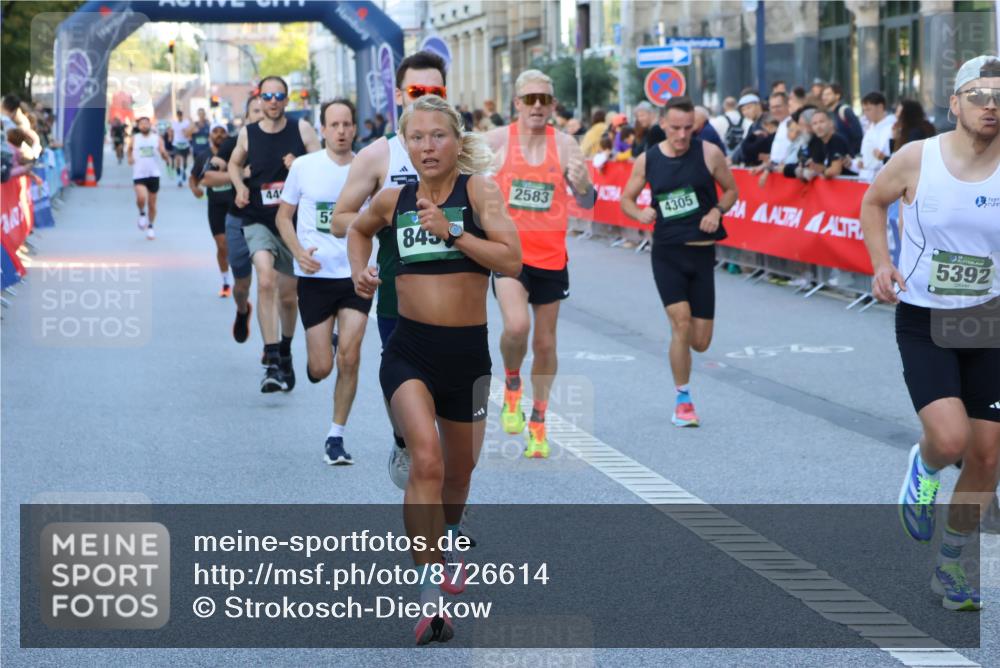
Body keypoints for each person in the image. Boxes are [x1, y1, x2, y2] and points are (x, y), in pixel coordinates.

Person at [346, 95, 521, 645]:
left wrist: (454, 233)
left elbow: (512, 260)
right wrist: (360, 273)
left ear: (457, 140)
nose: (427, 146)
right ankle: (428, 596)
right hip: (409, 350)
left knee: (459, 475)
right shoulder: (393, 198)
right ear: (406, 144)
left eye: (437, 136)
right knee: (426, 460)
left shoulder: (480, 193)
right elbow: (354, 228)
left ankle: (449, 533)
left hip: (467, 356)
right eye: (416, 138)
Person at [859, 55, 999, 612]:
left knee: (988, 455)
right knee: (949, 440)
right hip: (926, 318)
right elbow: (872, 202)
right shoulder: (918, 158)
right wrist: (879, 263)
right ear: (956, 104)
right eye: (980, 95)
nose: (992, 105)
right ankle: (925, 465)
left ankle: (952, 567)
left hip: (989, 319)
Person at [331, 51, 449, 489]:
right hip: (399, 299)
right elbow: (341, 218)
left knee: (449, 406)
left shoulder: (465, 153)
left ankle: (449, 507)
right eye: (417, 92)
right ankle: (404, 440)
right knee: (405, 389)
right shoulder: (379, 155)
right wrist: (377, 221)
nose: (426, 99)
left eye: (435, 92)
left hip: (456, 301)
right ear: (400, 95)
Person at [484, 69, 595, 458]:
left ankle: (538, 420)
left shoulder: (566, 145)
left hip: (551, 256)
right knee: (517, 325)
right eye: (529, 99)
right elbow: (462, 179)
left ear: (552, 106)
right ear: (516, 103)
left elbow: (588, 202)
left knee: (545, 343)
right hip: (510, 253)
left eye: (543, 100)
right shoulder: (496, 141)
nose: (536, 106)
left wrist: (581, 184)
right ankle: (512, 384)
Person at [620, 96, 738, 427]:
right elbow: (626, 199)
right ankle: (683, 399)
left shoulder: (709, 154)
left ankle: (683, 370)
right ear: (662, 125)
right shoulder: (648, 160)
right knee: (680, 321)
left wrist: (717, 210)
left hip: (701, 254)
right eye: (675, 128)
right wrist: (640, 212)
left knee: (700, 342)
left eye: (688, 128)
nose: (682, 135)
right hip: (667, 252)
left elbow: (731, 191)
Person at [276, 98, 369, 466]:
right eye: (335, 125)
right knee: (321, 368)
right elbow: (284, 217)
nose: (342, 131)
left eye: (348, 124)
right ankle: (323, 346)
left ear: (355, 128)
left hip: (355, 274)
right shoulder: (304, 166)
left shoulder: (367, 167)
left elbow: (381, 214)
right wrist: (298, 251)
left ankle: (336, 436)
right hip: (314, 276)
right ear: (323, 129)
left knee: (350, 355)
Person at [228, 75, 321, 392]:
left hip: (292, 224)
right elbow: (233, 164)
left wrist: (302, 163)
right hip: (258, 219)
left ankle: (285, 349)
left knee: (288, 297)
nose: (272, 101)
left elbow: (323, 164)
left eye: (279, 96)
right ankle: (270, 360)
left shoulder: (302, 129)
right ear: (260, 98)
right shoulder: (249, 133)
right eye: (267, 96)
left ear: (287, 99)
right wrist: (240, 185)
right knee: (265, 278)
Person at [218, 95, 265, 347]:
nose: (260, 115)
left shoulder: (280, 144)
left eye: (262, 110)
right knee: (242, 285)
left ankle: (273, 348)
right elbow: (210, 173)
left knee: (270, 284)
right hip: (238, 220)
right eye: (254, 111)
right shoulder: (232, 144)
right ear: (246, 117)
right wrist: (233, 174)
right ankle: (242, 309)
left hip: (272, 222)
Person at [189, 121, 234, 297]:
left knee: (235, 246)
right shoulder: (203, 156)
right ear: (210, 135)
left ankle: (240, 275)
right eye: (215, 131)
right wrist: (195, 189)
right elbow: (193, 178)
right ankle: (225, 282)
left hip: (235, 205)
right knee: (222, 246)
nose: (219, 135)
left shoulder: (234, 154)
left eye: (222, 131)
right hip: (215, 207)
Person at [127, 116, 170, 240]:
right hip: (139, 174)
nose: (144, 125)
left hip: (154, 174)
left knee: (152, 204)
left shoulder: (157, 138)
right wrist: (129, 157)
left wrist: (165, 155)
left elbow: (163, 151)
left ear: (150, 125)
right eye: (142, 124)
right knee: (141, 198)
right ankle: (141, 213)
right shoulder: (135, 138)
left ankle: (150, 227)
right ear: (138, 126)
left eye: (146, 123)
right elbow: (129, 150)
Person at [800, 108, 855, 181]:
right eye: (815, 123)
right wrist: (815, 167)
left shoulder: (836, 140)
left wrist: (821, 173)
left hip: (850, 186)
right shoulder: (819, 143)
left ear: (831, 123)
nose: (818, 126)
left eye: (821, 122)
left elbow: (835, 170)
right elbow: (824, 167)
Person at [855, 91, 896, 182]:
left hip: (884, 181)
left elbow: (896, 158)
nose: (866, 114)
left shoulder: (892, 128)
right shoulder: (870, 129)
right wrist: (858, 163)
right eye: (864, 110)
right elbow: (864, 159)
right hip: (865, 180)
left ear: (880, 107)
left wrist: (883, 158)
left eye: (869, 109)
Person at [822, 83, 864, 154]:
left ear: (837, 96)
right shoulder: (829, 114)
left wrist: (852, 156)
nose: (824, 97)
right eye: (823, 95)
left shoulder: (845, 111)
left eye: (828, 94)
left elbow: (858, 135)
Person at [729, 93, 769, 166]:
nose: (746, 112)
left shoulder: (766, 122)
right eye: (743, 110)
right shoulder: (752, 125)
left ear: (758, 105)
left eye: (749, 108)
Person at [170, 109, 192, 186]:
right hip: (176, 144)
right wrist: (171, 139)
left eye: (180, 115)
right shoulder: (174, 123)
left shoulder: (186, 123)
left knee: (185, 162)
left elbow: (190, 131)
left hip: (185, 144)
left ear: (182, 115)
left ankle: (184, 172)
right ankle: (179, 177)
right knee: (178, 160)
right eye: (178, 115)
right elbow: (171, 132)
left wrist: (187, 132)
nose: (179, 117)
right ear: (177, 116)